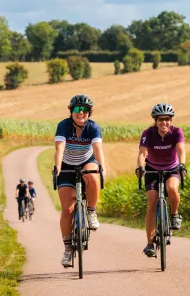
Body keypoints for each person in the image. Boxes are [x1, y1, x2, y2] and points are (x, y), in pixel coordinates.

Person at [53, 94, 107, 267]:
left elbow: (97, 149)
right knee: (67, 209)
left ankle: (91, 211)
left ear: (89, 113)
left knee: (92, 174)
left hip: (86, 161)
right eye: (77, 109)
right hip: (66, 166)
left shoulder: (93, 127)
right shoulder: (64, 125)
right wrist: (57, 167)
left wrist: (102, 167)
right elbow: (59, 148)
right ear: (71, 111)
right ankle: (68, 250)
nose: (80, 112)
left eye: (84, 110)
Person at [135, 102, 186, 258]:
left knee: (172, 188)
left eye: (167, 119)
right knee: (152, 201)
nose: (164, 122)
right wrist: (140, 167)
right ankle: (150, 244)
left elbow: (181, 150)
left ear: (171, 120)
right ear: (155, 120)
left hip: (172, 169)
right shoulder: (148, 133)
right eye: (160, 119)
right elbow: (142, 153)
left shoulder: (176, 132)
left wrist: (182, 164)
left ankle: (175, 214)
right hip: (152, 169)